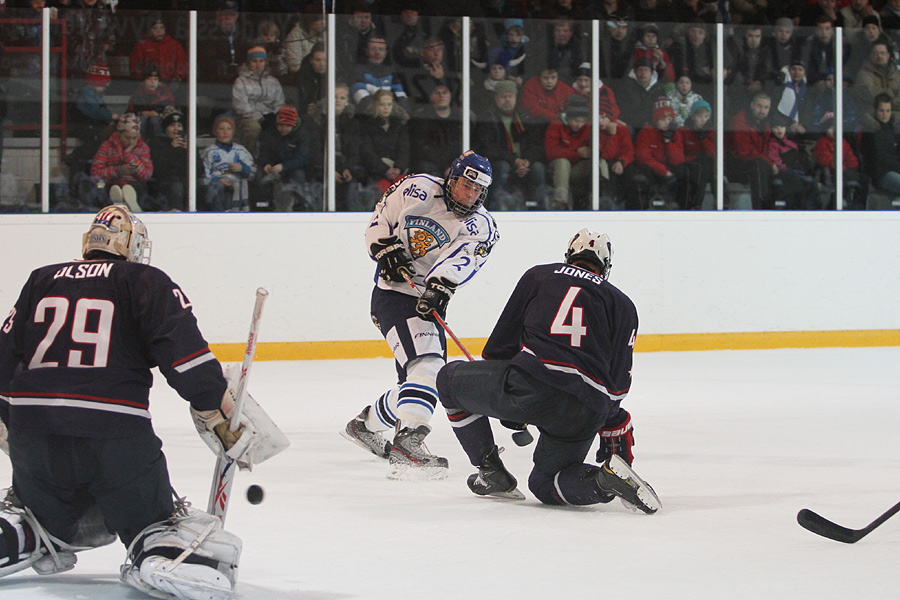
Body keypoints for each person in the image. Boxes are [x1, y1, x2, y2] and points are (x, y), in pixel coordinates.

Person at [0, 205, 244, 599]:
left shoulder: (40, 279)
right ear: (131, 245)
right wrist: (213, 402)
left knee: (41, 512)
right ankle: (164, 550)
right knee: (150, 520)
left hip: (33, 436)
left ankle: (26, 531)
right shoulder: (145, 280)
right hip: (112, 435)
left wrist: (6, 417)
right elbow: (184, 356)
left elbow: (4, 357)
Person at [434, 228, 661, 515]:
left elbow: (498, 349)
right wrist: (610, 421)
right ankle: (604, 481)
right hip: (585, 410)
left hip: (531, 386)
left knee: (448, 380)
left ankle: (490, 472)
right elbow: (617, 386)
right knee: (545, 484)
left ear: (568, 257)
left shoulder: (540, 276)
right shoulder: (624, 305)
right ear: (606, 268)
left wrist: (509, 406)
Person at [341, 150, 499, 480]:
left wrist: (439, 286)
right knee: (429, 368)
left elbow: (461, 260)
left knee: (419, 379)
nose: (468, 195)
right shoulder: (416, 187)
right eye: (463, 186)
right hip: (391, 296)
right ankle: (407, 441)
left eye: (476, 191)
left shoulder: (482, 225)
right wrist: (384, 249)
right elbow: (380, 217)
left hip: (424, 300)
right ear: (450, 179)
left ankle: (364, 425)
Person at [474, 79, 548, 211]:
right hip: (503, 163)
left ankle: (539, 209)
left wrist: (527, 161)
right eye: (503, 96)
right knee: (502, 167)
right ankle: (496, 205)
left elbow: (536, 145)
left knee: (538, 169)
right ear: (496, 98)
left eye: (510, 96)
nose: (507, 99)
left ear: (516, 97)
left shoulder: (525, 117)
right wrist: (514, 160)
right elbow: (488, 148)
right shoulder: (488, 118)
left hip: (525, 164)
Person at [87, 113, 154, 212]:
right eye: (127, 137)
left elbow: (146, 175)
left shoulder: (143, 147)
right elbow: (95, 173)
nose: (131, 142)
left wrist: (129, 155)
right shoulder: (107, 146)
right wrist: (119, 171)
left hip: (133, 184)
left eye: (134, 138)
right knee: (99, 184)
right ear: (119, 134)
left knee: (141, 186)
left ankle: (131, 203)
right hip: (110, 183)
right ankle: (112, 203)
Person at [726, 92, 777, 209]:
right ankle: (760, 209)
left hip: (756, 164)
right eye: (759, 106)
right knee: (759, 164)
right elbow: (743, 152)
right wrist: (770, 163)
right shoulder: (740, 120)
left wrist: (772, 163)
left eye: (766, 107)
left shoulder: (765, 124)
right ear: (752, 105)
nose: (762, 110)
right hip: (735, 165)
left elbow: (766, 151)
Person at [232, 45, 286, 155]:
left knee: (282, 126)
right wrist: (260, 118)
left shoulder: (273, 81)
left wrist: (274, 116)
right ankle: (249, 157)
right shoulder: (241, 81)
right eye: (254, 61)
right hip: (248, 118)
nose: (258, 64)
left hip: (270, 115)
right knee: (254, 128)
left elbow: (279, 102)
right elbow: (241, 106)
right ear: (248, 63)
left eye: (261, 61)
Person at [257, 104, 309, 211]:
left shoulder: (302, 135)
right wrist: (266, 164)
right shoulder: (269, 133)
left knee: (298, 175)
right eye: (281, 125)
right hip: (273, 167)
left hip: (292, 167)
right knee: (260, 175)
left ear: (293, 125)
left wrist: (284, 166)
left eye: (287, 126)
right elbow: (263, 153)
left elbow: (302, 158)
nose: (283, 129)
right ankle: (265, 204)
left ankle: (300, 204)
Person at [545, 94, 592, 210]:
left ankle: (600, 199)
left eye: (582, 121)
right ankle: (561, 202)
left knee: (597, 163)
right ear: (568, 118)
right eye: (576, 121)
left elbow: (600, 148)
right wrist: (576, 153)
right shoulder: (556, 125)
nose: (579, 125)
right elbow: (551, 152)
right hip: (557, 170)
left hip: (578, 169)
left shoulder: (589, 127)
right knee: (562, 162)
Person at [201, 113, 256, 212]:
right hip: (218, 187)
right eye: (221, 128)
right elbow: (203, 177)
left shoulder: (241, 150)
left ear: (233, 132)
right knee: (218, 189)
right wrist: (217, 180)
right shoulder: (209, 151)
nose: (225, 132)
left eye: (229, 129)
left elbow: (253, 173)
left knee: (241, 185)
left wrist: (242, 169)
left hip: (236, 183)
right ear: (215, 131)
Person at [147, 106, 188, 211]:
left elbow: (199, 170)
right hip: (163, 183)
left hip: (185, 182)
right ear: (165, 128)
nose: (176, 129)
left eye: (179, 125)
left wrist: (188, 152)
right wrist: (171, 148)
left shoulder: (187, 144)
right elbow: (158, 168)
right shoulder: (156, 143)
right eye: (172, 125)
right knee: (176, 187)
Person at [128, 16, 187, 84]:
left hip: (170, 84)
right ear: (149, 30)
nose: (159, 31)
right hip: (149, 85)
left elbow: (182, 63)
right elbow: (136, 66)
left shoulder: (175, 45)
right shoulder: (142, 45)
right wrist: (144, 80)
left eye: (162, 27)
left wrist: (177, 78)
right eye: (155, 28)